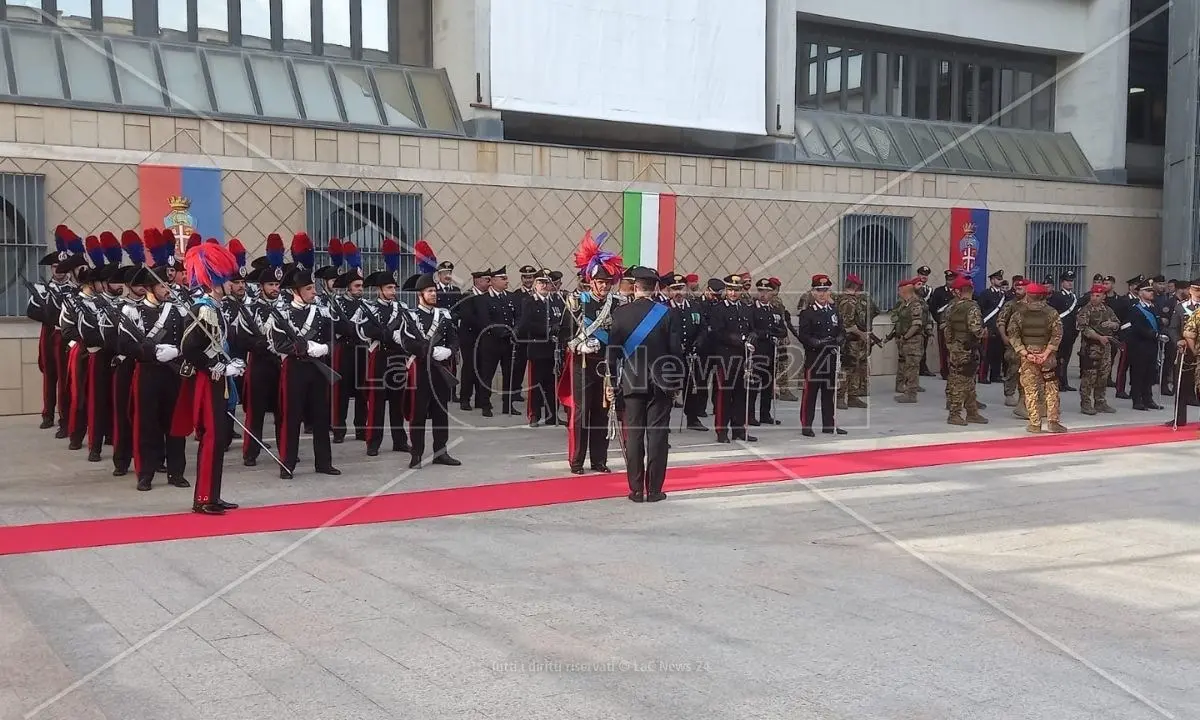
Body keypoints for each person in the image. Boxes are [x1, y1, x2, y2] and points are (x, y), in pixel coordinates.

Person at [605, 266, 682, 503]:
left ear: (635, 287)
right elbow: (676, 353)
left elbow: (613, 353)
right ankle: (655, 490)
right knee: (658, 437)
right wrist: (676, 383)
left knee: (635, 436)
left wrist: (612, 382)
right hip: (661, 384)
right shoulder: (667, 314)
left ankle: (636, 490)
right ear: (655, 288)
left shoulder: (620, 313)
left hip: (631, 383)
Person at [179, 243, 244, 515]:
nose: (231, 284)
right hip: (208, 381)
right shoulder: (203, 309)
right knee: (211, 437)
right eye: (227, 279)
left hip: (218, 378)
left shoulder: (214, 308)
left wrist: (230, 363)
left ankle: (213, 495)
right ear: (216, 282)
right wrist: (216, 367)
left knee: (218, 439)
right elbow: (190, 348)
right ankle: (203, 497)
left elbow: (218, 344)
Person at [118, 266, 192, 491]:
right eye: (162, 285)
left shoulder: (178, 310)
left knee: (175, 424)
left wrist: (177, 352)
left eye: (168, 284)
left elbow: (190, 339)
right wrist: (150, 352)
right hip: (148, 373)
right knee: (147, 425)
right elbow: (124, 345)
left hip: (172, 374)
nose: (167, 289)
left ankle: (176, 471)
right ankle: (145, 473)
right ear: (150, 288)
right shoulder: (132, 312)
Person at [267, 266, 340, 478]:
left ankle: (324, 463)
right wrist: (303, 348)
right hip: (295, 369)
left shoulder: (321, 312)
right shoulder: (282, 314)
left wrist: (325, 348)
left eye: (313, 288)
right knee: (292, 417)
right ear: (295, 292)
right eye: (308, 289)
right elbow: (278, 344)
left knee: (320, 416)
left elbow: (333, 337)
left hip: (318, 368)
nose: (314, 292)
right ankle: (287, 464)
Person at [559, 233, 620, 473]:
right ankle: (576, 460)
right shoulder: (576, 302)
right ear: (590, 281)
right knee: (581, 413)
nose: (603, 286)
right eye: (599, 282)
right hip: (582, 363)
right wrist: (578, 345)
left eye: (607, 282)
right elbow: (563, 334)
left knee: (601, 412)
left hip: (604, 365)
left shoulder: (615, 304)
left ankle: (599, 460)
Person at [399, 273, 462, 468]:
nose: (434, 294)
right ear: (420, 294)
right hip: (420, 368)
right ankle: (416, 454)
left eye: (434, 290)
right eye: (430, 291)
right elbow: (407, 342)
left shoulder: (443, 315)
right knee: (418, 413)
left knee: (441, 412)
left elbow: (453, 338)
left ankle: (441, 452)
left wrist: (449, 350)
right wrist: (429, 350)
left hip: (440, 368)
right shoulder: (410, 316)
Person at [361, 260, 410, 457]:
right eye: (389, 288)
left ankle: (400, 441)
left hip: (397, 356)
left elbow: (408, 330)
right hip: (379, 356)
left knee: (398, 401)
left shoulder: (402, 308)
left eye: (393, 288)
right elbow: (364, 330)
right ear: (380, 289)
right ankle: (373, 442)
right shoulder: (370, 309)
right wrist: (382, 333)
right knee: (377, 402)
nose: (392, 291)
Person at [1007, 282, 1066, 433]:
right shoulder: (1052, 313)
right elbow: (1057, 335)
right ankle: (1053, 422)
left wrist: (1025, 353)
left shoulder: (1019, 314)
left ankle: (1034, 423)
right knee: (1051, 388)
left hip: (1028, 357)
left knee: (1030, 390)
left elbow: (1013, 335)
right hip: (1048, 357)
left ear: (1028, 295)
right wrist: (1046, 353)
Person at [708, 274, 758, 443]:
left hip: (743, 359)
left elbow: (753, 328)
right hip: (726, 358)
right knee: (724, 395)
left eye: (736, 290)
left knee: (741, 395)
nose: (733, 293)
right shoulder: (718, 309)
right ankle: (721, 431)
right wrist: (739, 339)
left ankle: (739, 429)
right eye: (730, 290)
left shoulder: (746, 308)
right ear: (726, 290)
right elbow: (718, 332)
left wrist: (752, 337)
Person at [795, 274, 847, 436]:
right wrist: (817, 343)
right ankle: (807, 425)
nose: (822, 294)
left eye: (825, 290)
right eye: (819, 290)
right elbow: (803, 336)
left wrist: (839, 339)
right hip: (815, 358)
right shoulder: (807, 313)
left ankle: (829, 424)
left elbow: (841, 330)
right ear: (813, 292)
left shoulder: (833, 311)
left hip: (830, 358)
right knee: (810, 394)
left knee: (829, 393)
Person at [664, 272, 708, 431]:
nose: (678, 292)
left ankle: (693, 418)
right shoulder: (665, 309)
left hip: (691, 354)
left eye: (681, 288)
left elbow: (703, 328)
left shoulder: (694, 307)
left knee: (692, 387)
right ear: (669, 291)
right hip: (671, 356)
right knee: (669, 389)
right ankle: (664, 421)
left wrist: (698, 343)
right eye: (674, 289)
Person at [943, 276, 988, 425]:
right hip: (967, 348)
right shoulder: (972, 307)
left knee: (968, 382)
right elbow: (975, 329)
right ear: (971, 290)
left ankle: (972, 412)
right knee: (960, 382)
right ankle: (954, 414)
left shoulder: (951, 307)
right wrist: (984, 333)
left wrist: (951, 346)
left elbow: (947, 330)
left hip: (956, 347)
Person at [518, 270, 561, 426]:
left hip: (553, 350)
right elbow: (526, 324)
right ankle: (534, 415)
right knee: (536, 385)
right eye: (540, 282)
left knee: (552, 385)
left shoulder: (556, 301)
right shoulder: (529, 301)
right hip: (537, 349)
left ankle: (552, 416)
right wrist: (548, 329)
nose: (544, 285)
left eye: (546, 282)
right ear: (535, 284)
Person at [1076, 282, 1120, 416]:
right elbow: (1084, 329)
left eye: (1098, 295)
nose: (1094, 298)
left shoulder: (1107, 310)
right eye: (1093, 295)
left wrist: (1113, 324)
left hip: (1105, 349)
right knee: (1089, 377)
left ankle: (1100, 402)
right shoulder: (1085, 310)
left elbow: (1117, 323)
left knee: (1103, 376)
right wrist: (1099, 337)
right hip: (1091, 349)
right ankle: (1086, 403)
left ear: (1103, 297)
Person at [835, 273, 873, 409]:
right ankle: (840, 397)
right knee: (847, 369)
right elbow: (847, 324)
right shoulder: (848, 302)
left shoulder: (852, 300)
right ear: (855, 287)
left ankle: (853, 396)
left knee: (856, 369)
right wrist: (862, 334)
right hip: (849, 341)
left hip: (856, 342)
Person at [1165, 279, 1200, 426]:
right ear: (1190, 290)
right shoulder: (1181, 307)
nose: (1198, 293)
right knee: (1181, 386)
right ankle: (1179, 418)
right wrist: (1177, 340)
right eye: (1196, 290)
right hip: (1185, 351)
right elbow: (1173, 328)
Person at [1126, 277, 1164, 411]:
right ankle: (1137, 400)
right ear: (1141, 293)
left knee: (1149, 373)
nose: (1151, 293)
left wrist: (1161, 333)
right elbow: (1137, 327)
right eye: (1148, 291)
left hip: (1152, 346)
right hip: (1139, 346)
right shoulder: (1136, 309)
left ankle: (1148, 399)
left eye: (1151, 291)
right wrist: (1154, 334)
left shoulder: (1154, 307)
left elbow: (1159, 324)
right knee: (1138, 373)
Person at [891, 278, 925, 403]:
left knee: (912, 368)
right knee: (907, 367)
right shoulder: (905, 304)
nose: (898, 292)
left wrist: (905, 337)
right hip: (905, 341)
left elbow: (916, 324)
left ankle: (911, 394)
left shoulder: (915, 304)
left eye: (900, 290)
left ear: (904, 290)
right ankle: (907, 391)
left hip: (913, 342)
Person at [1047, 270, 1081, 391]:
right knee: (1058, 358)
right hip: (1060, 331)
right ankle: (1057, 382)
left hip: (1070, 333)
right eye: (1067, 281)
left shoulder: (1073, 297)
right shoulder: (1057, 296)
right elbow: (1052, 314)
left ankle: (1064, 381)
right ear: (1062, 282)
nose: (1070, 283)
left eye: (1071, 281)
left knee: (1066, 358)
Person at [976, 269, 1007, 383]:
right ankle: (983, 376)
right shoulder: (986, 294)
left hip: (999, 328)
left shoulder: (1003, 295)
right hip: (988, 327)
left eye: (1000, 279)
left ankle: (995, 375)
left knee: (998, 353)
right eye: (997, 279)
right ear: (992, 280)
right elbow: (980, 310)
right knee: (986, 354)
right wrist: (982, 325)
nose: (999, 281)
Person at [928, 270, 957, 380]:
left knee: (954, 348)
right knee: (943, 348)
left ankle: (954, 369)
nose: (950, 282)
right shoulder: (939, 291)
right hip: (943, 325)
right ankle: (944, 371)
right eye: (949, 280)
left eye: (952, 280)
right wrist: (939, 321)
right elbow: (933, 307)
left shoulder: (957, 292)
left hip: (955, 325)